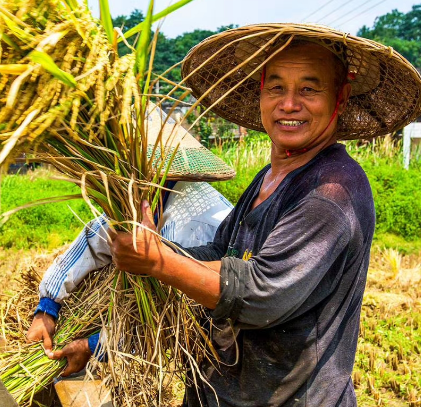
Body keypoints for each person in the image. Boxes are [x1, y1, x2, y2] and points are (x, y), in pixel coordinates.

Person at [109, 24, 421, 406]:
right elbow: (221, 254)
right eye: (276, 88)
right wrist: (158, 248)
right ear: (260, 93)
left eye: (308, 89)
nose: (289, 104)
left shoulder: (332, 192)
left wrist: (159, 263)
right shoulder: (270, 177)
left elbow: (261, 295)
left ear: (339, 97)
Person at [26, 104, 235, 377]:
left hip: (218, 351)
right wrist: (47, 308)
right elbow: (93, 239)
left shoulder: (197, 222)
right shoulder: (140, 197)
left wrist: (93, 345)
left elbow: (172, 318)